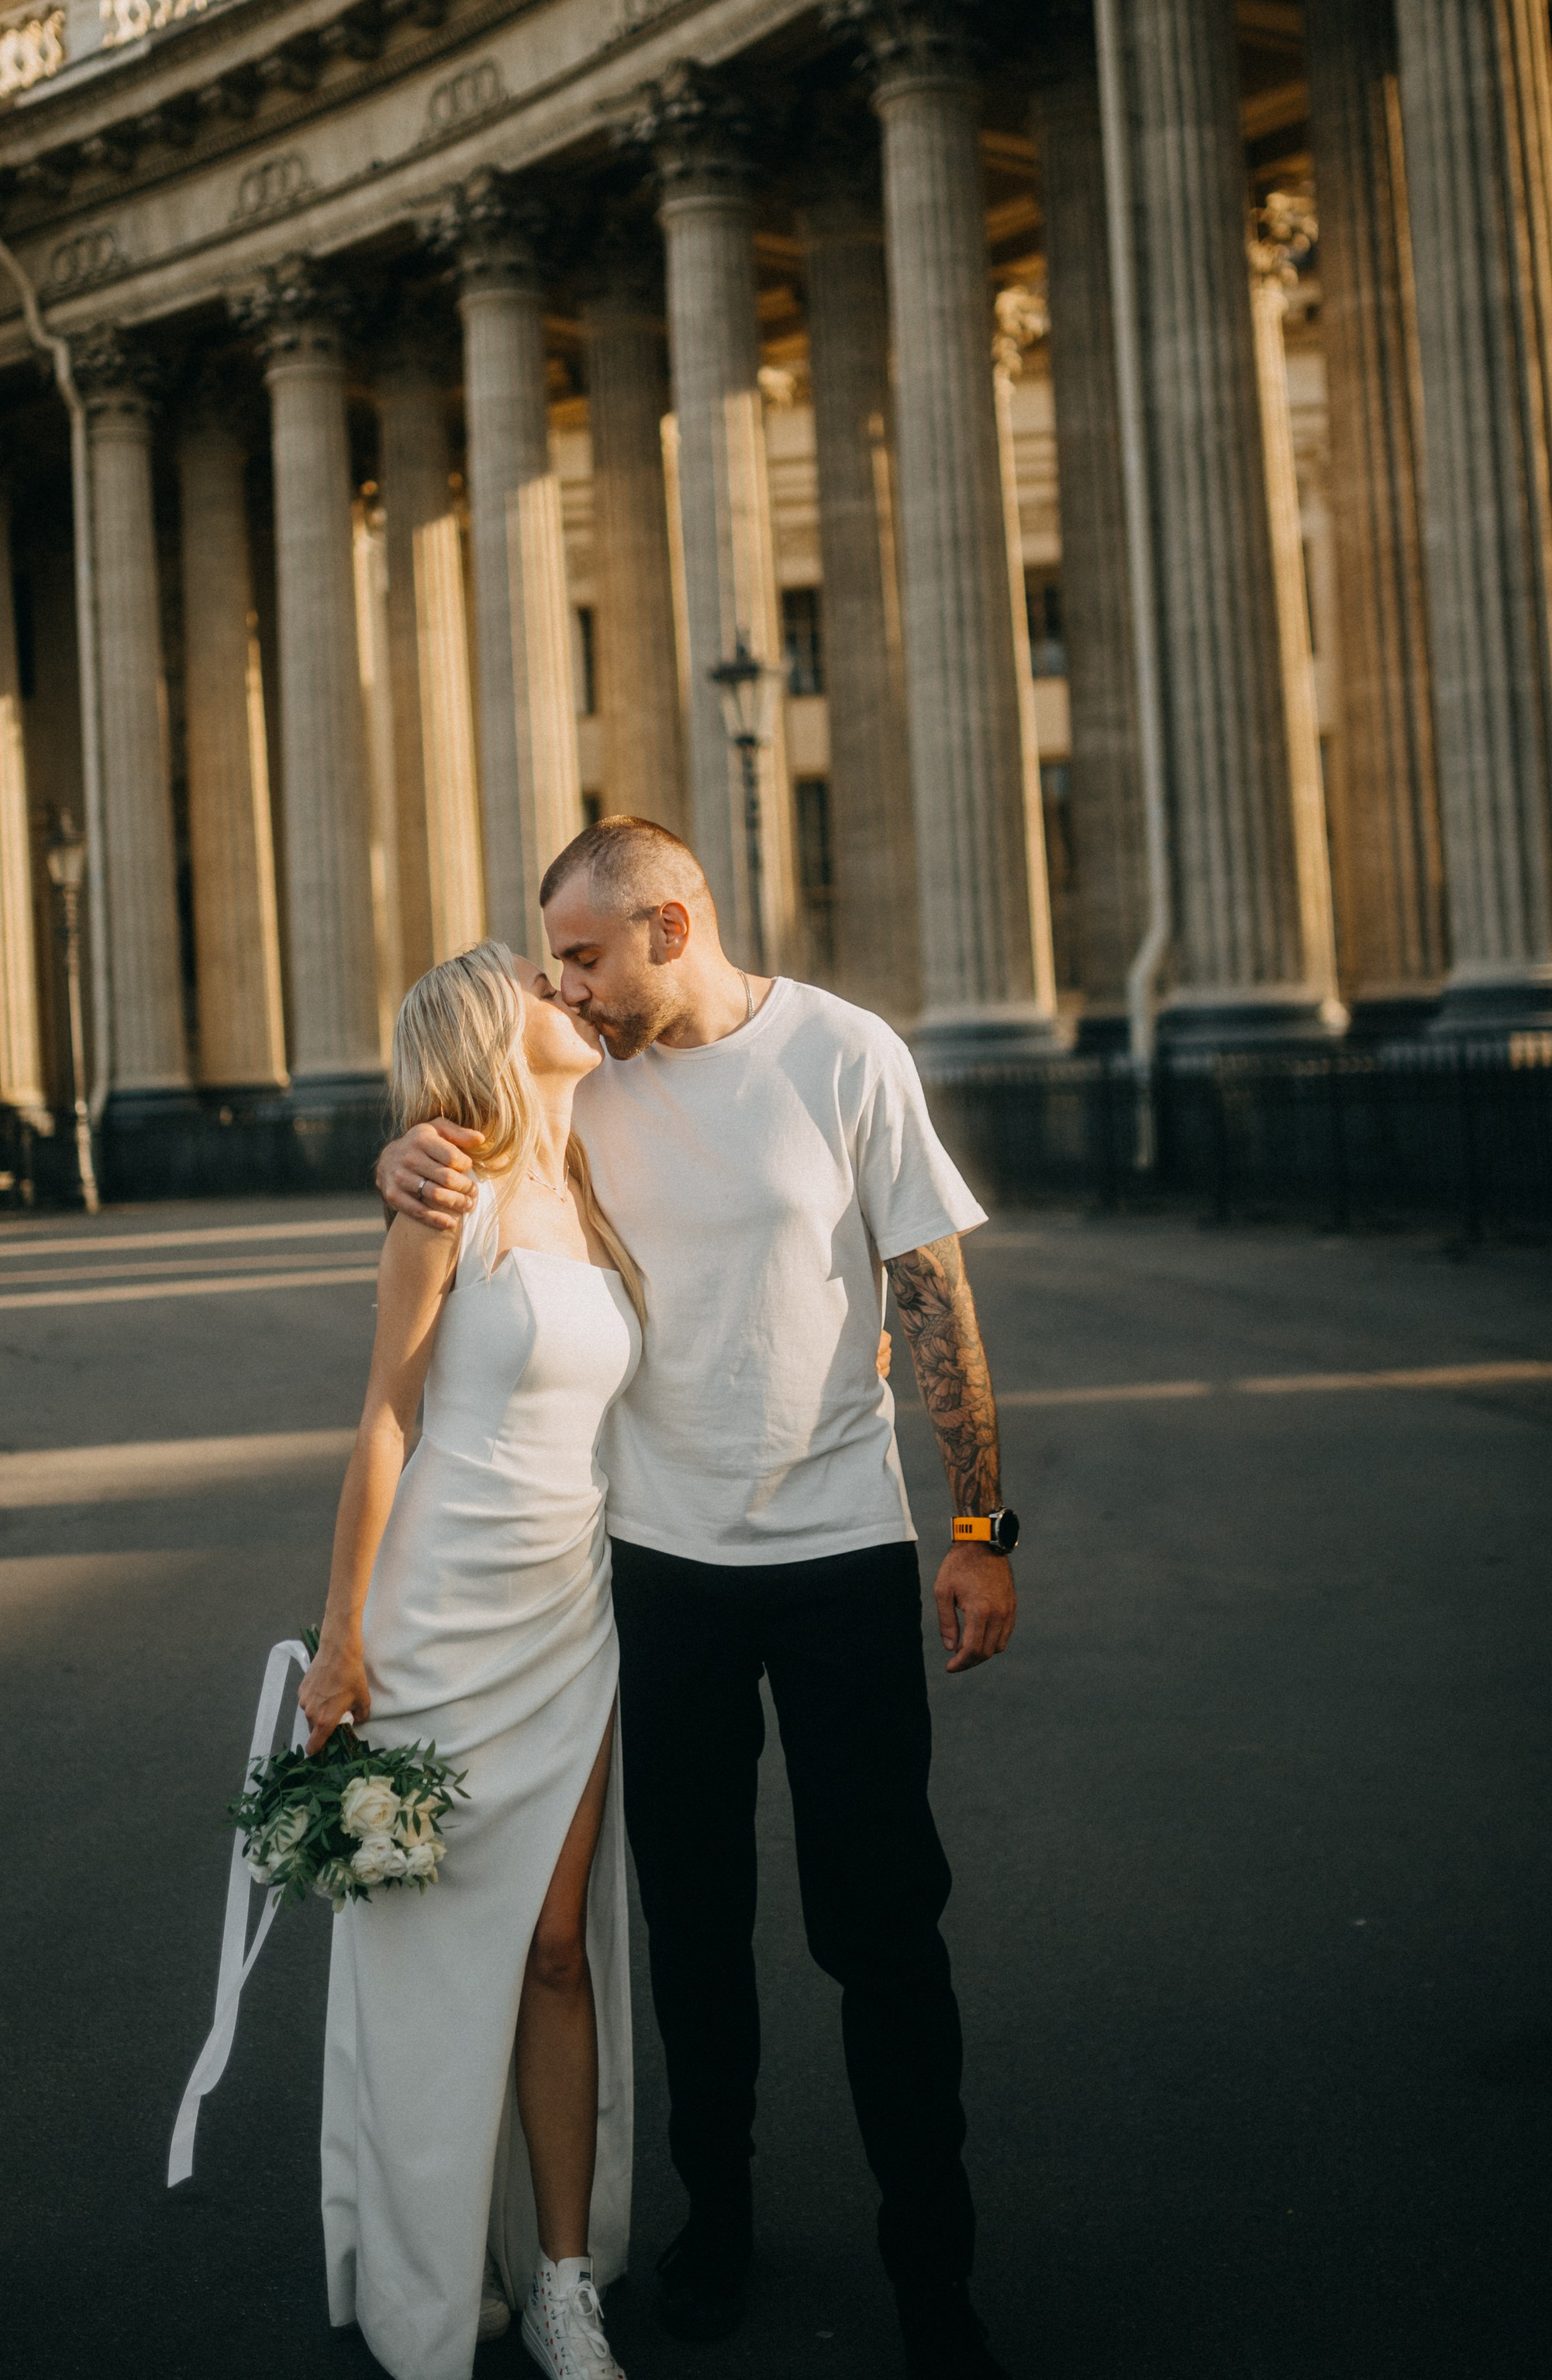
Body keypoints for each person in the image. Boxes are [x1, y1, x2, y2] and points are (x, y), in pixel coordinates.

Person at [379, 817, 1018, 2380]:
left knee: (883, 1928)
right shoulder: (581, 1080)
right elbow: (467, 1158)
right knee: (693, 1927)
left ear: (672, 924)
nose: (564, 987)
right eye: (556, 964)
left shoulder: (845, 1055)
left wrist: (981, 1526)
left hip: (842, 1556)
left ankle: (933, 2274)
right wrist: (392, 1153)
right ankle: (714, 2220)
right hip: (657, 1570)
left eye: (585, 955)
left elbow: (932, 1292)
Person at [301, 939, 646, 2380]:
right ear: (488, 1034)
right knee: (430, 1966)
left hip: (572, 1618)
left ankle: (563, 2284)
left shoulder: (600, 1184)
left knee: (558, 1953)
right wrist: (342, 1640)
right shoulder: (446, 1197)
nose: (567, 992)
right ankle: (428, 2276)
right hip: (437, 1626)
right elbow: (387, 1420)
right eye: (537, 984)